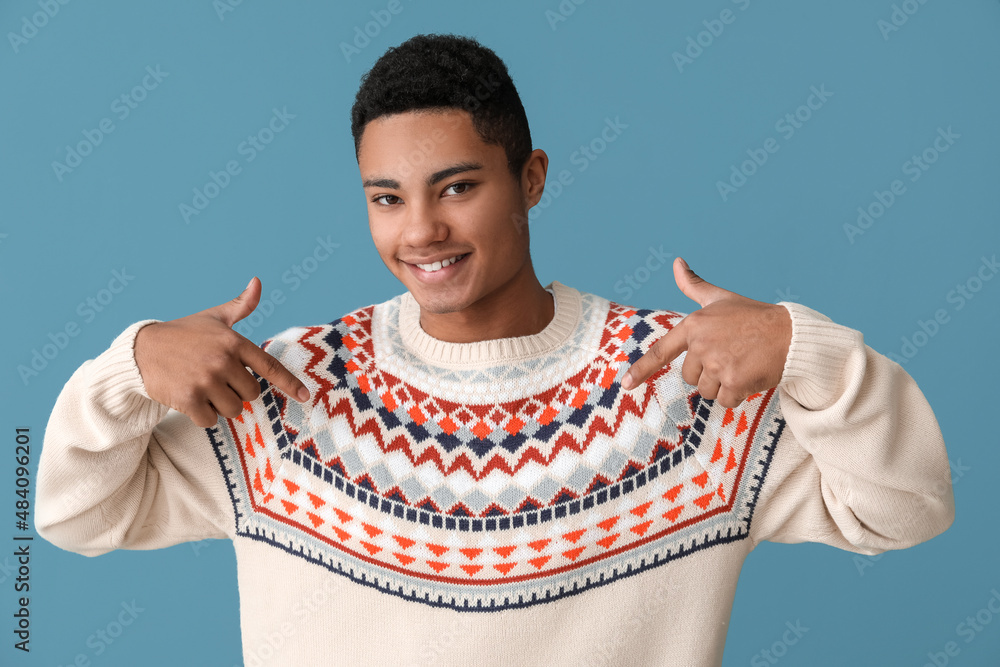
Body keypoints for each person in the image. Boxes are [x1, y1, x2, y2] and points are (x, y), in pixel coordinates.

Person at [35, 33, 955, 667]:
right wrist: (132, 366)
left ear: (532, 177)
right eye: (386, 197)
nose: (422, 230)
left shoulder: (679, 385)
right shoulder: (288, 390)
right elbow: (72, 515)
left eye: (458, 186)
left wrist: (806, 349)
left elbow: (905, 508)